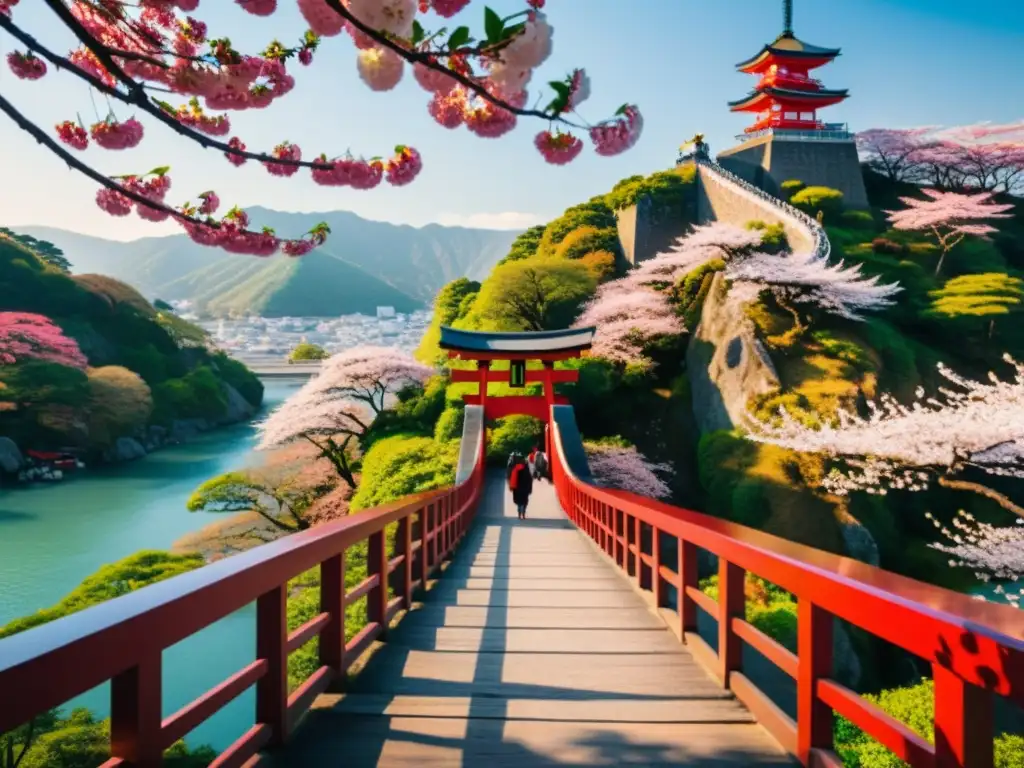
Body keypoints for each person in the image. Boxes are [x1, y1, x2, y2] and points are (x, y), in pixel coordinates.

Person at [508, 452, 533, 519]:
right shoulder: (526, 468)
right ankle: (523, 513)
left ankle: (519, 512)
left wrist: (511, 486)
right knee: (525, 501)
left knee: (519, 501)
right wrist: (530, 489)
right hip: (525, 488)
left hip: (517, 487)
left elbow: (511, 478)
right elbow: (529, 479)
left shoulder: (515, 468)